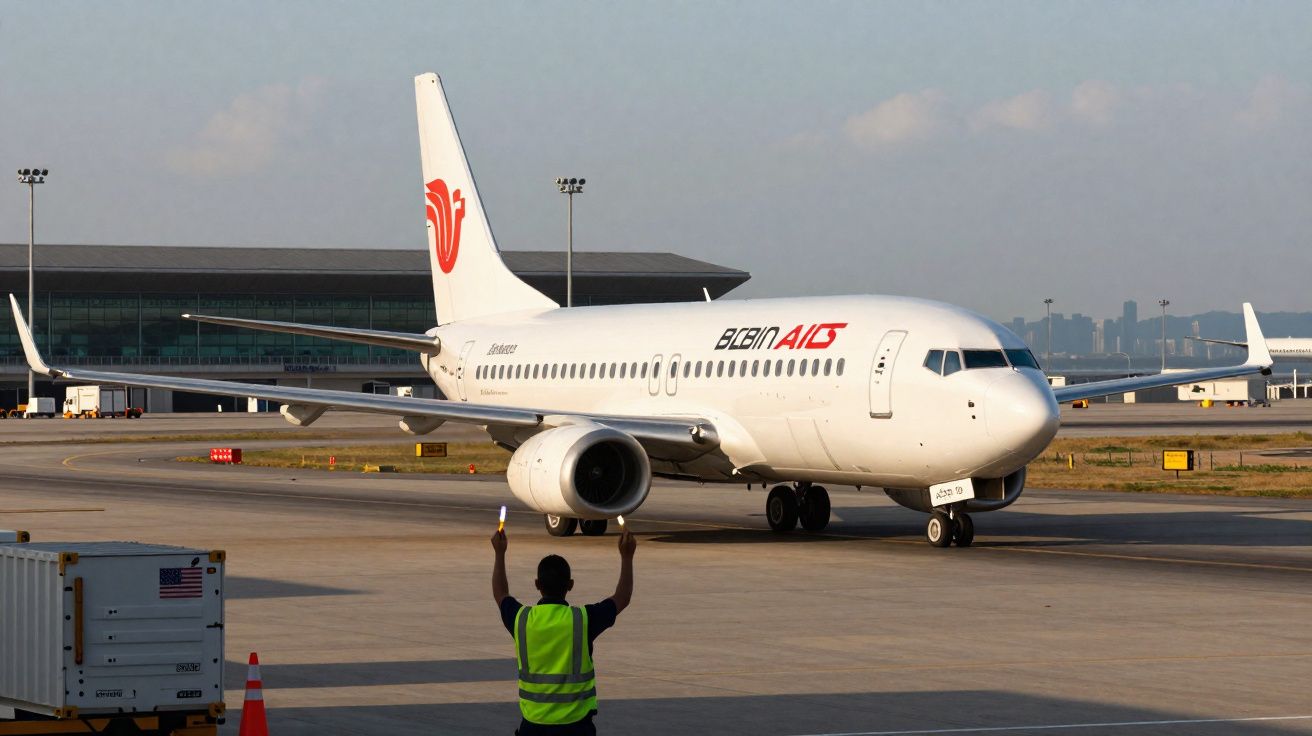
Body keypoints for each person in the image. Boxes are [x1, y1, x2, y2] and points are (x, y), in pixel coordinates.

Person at [491, 526, 636, 735]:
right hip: (576, 726)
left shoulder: (522, 619)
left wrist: (499, 553)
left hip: (534, 726)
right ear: (570, 585)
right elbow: (622, 598)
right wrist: (627, 557)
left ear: (537, 584)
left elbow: (500, 594)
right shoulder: (582, 619)